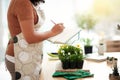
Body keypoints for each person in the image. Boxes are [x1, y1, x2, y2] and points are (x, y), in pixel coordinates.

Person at [5, 0, 64, 80]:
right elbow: (30, 37)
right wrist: (52, 32)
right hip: (19, 58)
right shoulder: (22, 2)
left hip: (28, 56)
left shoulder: (28, 2)